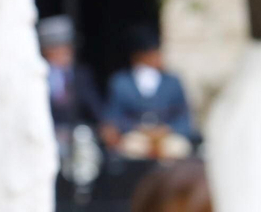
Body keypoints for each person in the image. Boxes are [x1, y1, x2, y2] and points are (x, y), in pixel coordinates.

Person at [103, 26, 194, 159]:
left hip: (167, 134)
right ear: (139, 56)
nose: (156, 58)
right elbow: (114, 117)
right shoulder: (121, 82)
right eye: (151, 54)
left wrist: (166, 130)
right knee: (132, 149)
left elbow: (184, 117)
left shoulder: (172, 82)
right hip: (135, 134)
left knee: (177, 149)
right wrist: (138, 128)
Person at [39, 16, 103, 133]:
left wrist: (105, 125)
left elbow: (95, 107)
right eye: (58, 47)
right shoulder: (38, 77)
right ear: (46, 50)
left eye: (68, 46)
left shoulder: (82, 75)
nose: (66, 52)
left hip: (77, 134)